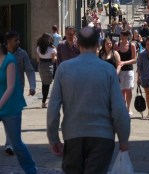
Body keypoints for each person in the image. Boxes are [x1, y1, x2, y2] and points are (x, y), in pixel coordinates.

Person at [47, 26, 130, 174]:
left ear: (78, 44)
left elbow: (53, 108)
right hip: (102, 136)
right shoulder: (108, 70)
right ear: (97, 45)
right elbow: (119, 109)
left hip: (73, 135)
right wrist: (123, 139)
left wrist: (53, 138)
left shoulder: (63, 69)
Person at [0, 30, 36, 174]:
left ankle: (31, 170)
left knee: (16, 144)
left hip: (10, 107)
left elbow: (10, 88)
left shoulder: (9, 60)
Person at [3, 30, 37, 157]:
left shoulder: (22, 54)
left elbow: (29, 70)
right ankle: (10, 142)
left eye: (18, 40)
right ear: (8, 42)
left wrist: (32, 86)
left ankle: (12, 143)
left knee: (15, 116)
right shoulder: (2, 53)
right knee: (7, 116)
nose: (18, 42)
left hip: (17, 90)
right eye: (15, 40)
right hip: (3, 90)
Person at [116, 33, 138, 114]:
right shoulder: (117, 44)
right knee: (121, 91)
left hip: (129, 70)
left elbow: (134, 60)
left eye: (124, 35)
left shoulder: (131, 45)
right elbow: (113, 55)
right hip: (120, 71)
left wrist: (124, 62)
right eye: (121, 35)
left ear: (127, 36)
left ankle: (129, 108)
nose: (122, 37)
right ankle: (123, 107)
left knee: (128, 90)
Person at [34, 33, 57, 108]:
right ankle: (44, 102)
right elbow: (53, 60)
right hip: (49, 66)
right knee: (47, 85)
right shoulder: (52, 49)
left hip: (41, 66)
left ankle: (43, 101)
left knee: (44, 84)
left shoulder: (38, 48)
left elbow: (37, 60)